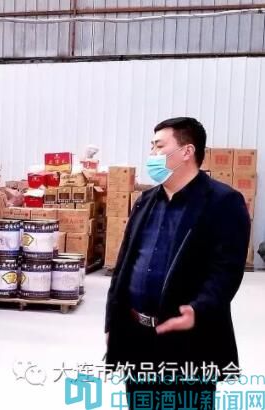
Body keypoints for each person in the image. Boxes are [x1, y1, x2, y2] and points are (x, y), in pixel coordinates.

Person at [104, 117, 250, 409]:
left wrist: (199, 309)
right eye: (151, 147)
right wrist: (113, 322)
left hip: (187, 338)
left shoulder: (223, 202)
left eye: (159, 146)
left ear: (186, 151)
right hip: (137, 335)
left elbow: (226, 270)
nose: (152, 154)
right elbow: (124, 266)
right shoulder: (145, 201)